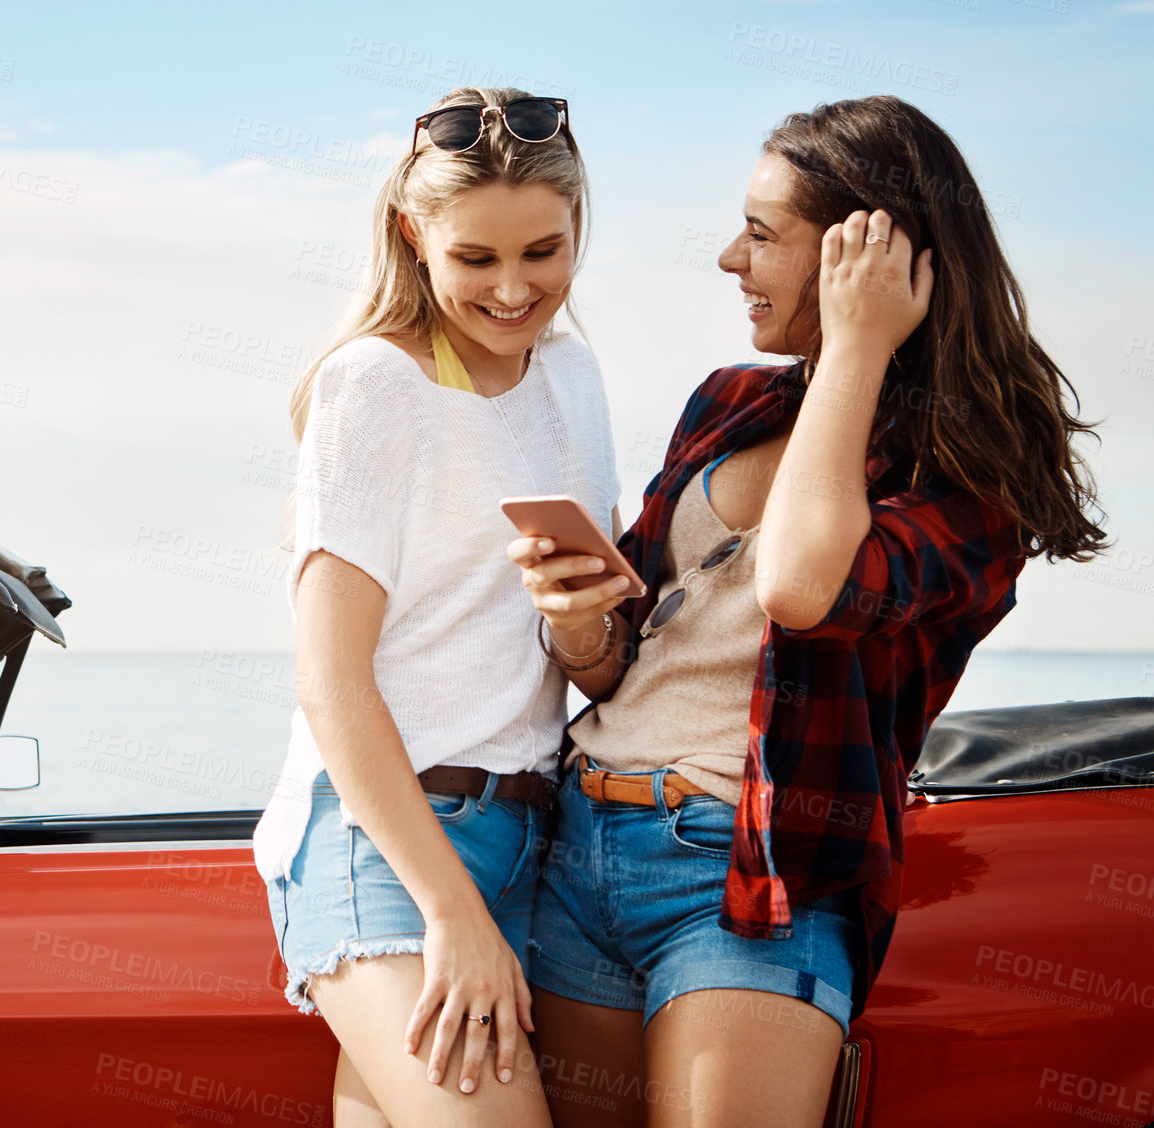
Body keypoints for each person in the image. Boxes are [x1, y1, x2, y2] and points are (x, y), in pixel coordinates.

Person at [509, 94, 1106, 1127]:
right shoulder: (729, 402)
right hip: (583, 841)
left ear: (861, 257)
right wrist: (576, 623)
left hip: (749, 880)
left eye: (762, 234)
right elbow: (629, 661)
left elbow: (800, 588)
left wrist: (857, 352)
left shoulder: (971, 483)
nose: (730, 261)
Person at [251, 86, 620, 1126]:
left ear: (577, 227)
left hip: (534, 838)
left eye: (542, 253)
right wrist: (451, 911)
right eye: (476, 260)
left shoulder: (575, 380)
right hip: (386, 841)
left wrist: (582, 623)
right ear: (415, 237)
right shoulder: (375, 383)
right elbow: (330, 681)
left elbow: (590, 668)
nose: (513, 290)